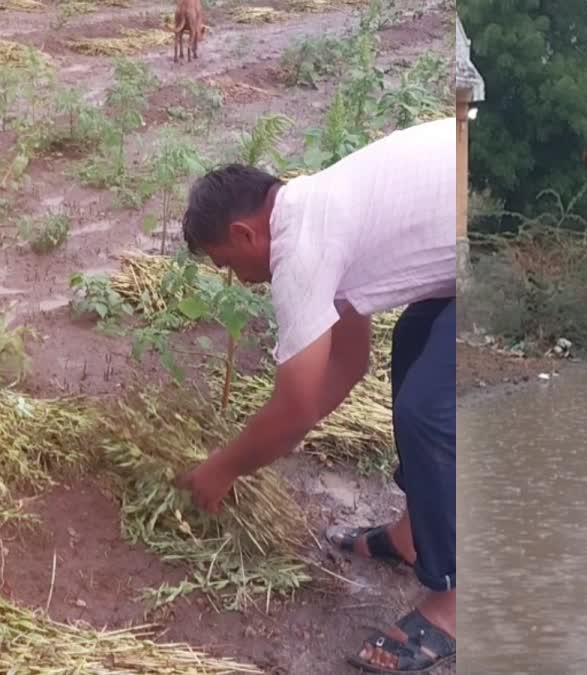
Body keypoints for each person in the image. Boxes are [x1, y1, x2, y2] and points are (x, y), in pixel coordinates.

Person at [177, 117, 456, 673]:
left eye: (227, 264)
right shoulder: (315, 206)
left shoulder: (298, 248)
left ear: (243, 234)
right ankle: (412, 537)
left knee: (426, 409)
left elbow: (298, 403)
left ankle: (453, 603)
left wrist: (221, 469)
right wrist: (270, 437)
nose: (233, 277)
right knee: (414, 338)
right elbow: (348, 364)